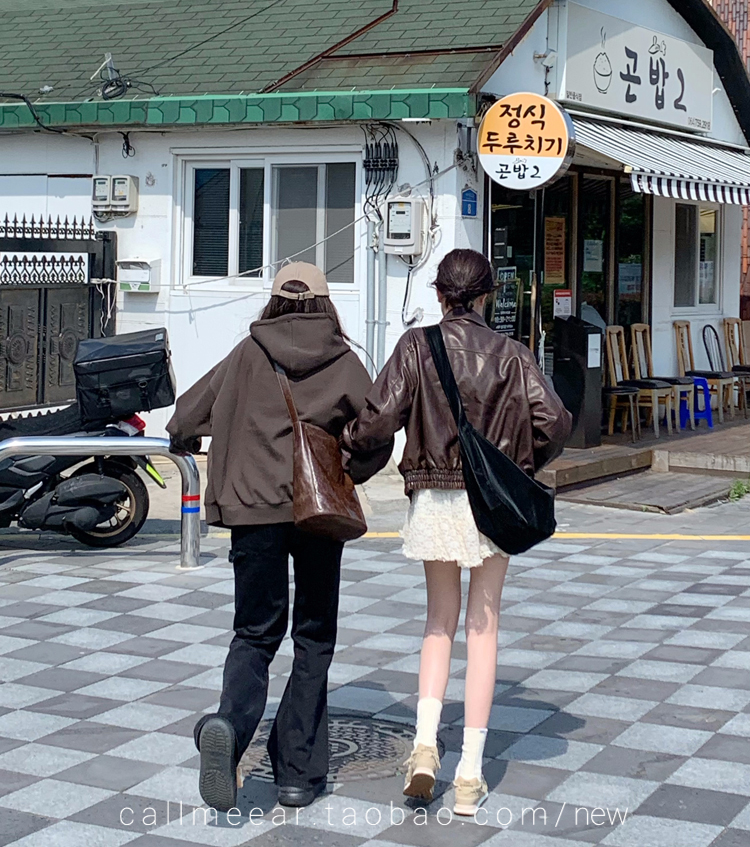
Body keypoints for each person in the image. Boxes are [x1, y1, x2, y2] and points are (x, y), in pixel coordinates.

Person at [342, 249, 571, 817]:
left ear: (440, 294)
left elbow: (378, 418)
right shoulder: (513, 354)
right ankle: (469, 773)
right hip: (492, 501)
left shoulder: (416, 346)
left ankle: (424, 747)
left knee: (438, 621)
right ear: (487, 295)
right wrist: (517, 466)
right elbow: (555, 422)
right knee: (483, 626)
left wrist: (345, 447)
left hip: (435, 496)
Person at [167, 262, 392, 813]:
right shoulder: (343, 361)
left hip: (252, 511)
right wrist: (351, 470)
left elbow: (187, 414)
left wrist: (182, 439)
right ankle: (296, 773)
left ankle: (229, 726)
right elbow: (377, 431)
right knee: (313, 636)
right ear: (325, 303)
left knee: (254, 632)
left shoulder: (248, 353)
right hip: (318, 511)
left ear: (273, 302)